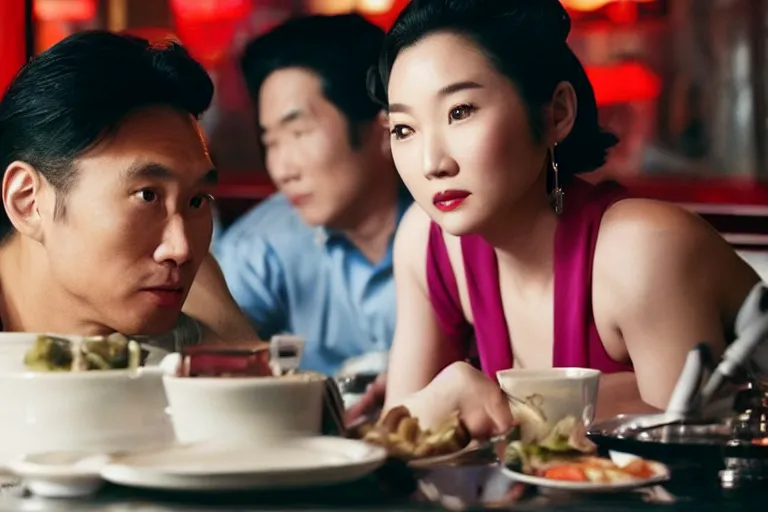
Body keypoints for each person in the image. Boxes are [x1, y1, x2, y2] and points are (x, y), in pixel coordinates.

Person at [365, 0, 759, 436]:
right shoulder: (426, 244)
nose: (431, 162)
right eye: (403, 129)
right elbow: (401, 433)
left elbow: (684, 451)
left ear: (556, 114)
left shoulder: (641, 248)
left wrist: (502, 403)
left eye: (461, 112)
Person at [0, 31, 256, 348]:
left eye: (196, 200)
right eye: (147, 195)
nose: (181, 250)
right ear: (28, 201)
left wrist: (235, 337)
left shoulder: (184, 340)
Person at [215, 14, 409, 375]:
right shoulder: (261, 246)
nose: (283, 169)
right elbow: (210, 353)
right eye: (270, 142)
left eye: (299, 132)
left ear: (383, 127)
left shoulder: (454, 228)